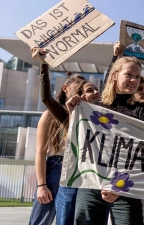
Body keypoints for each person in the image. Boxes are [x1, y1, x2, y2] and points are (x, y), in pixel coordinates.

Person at [74, 56, 144, 225]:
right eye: (129, 75)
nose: (134, 80)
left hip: (125, 186)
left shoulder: (142, 110)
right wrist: (72, 113)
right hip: (92, 183)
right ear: (115, 75)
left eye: (138, 77)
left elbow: (142, 153)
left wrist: (118, 186)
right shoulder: (94, 108)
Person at [29, 47, 87, 225]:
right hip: (55, 168)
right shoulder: (52, 114)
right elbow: (40, 152)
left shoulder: (84, 115)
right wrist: (42, 185)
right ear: (65, 88)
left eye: (84, 90)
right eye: (78, 89)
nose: (81, 94)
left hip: (78, 170)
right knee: (42, 219)